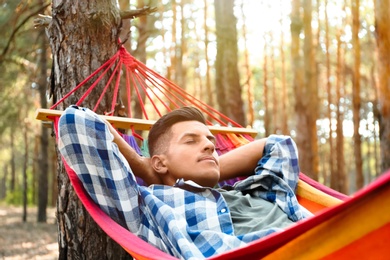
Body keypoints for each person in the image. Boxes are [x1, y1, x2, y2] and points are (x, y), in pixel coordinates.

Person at [58, 105, 312, 260]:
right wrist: (143, 166)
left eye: (210, 142)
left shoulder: (260, 191)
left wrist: (209, 167)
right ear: (159, 162)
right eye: (191, 140)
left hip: (324, 243)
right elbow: (76, 123)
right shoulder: (151, 209)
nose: (210, 145)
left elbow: (280, 146)